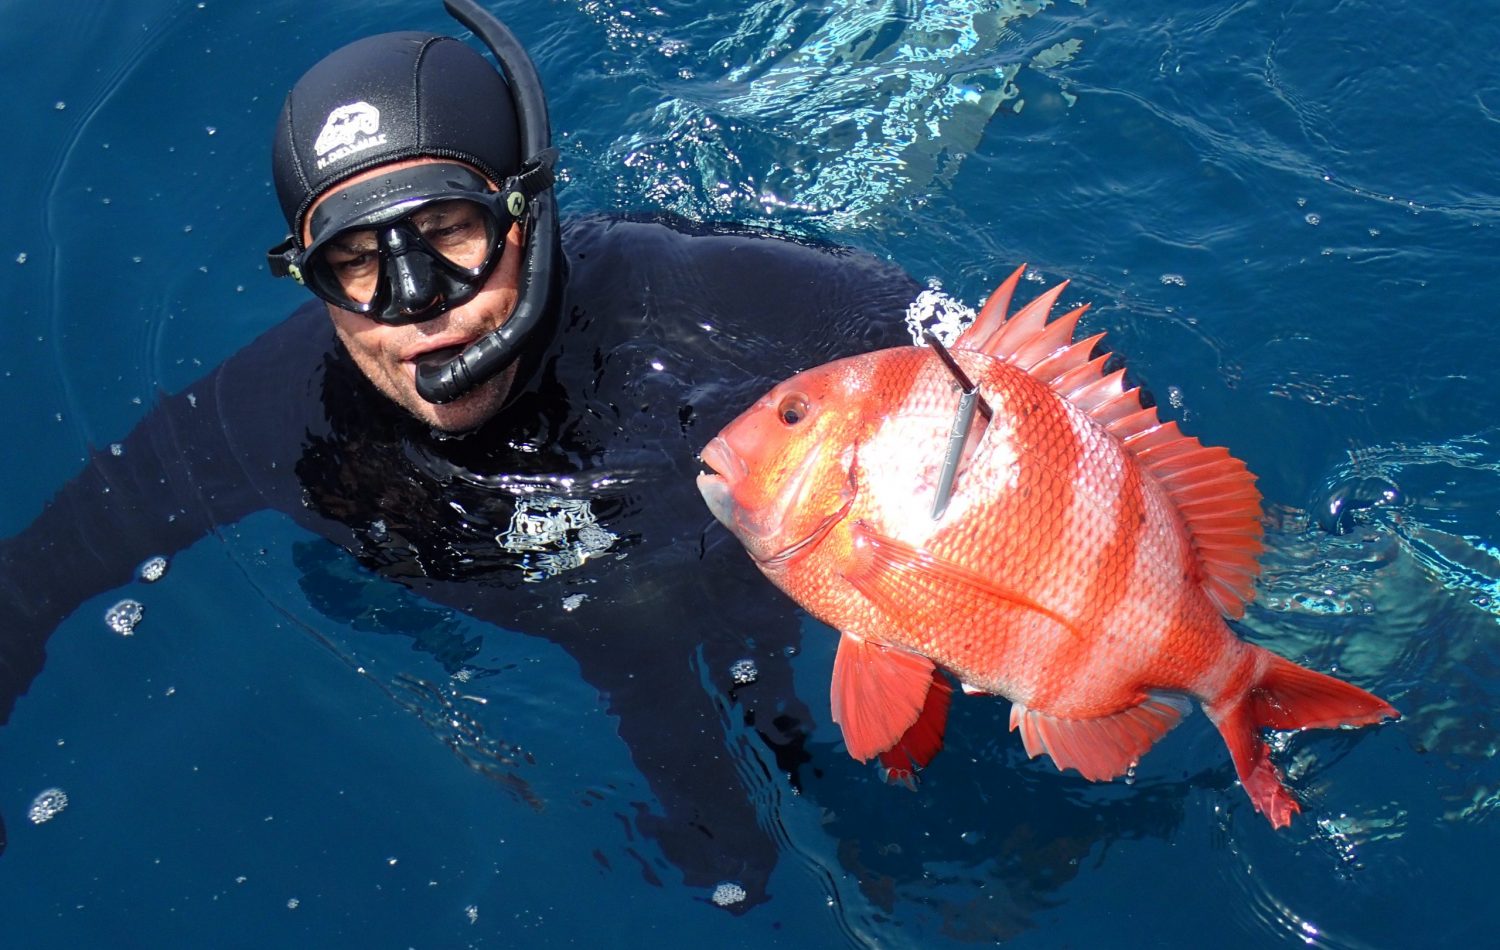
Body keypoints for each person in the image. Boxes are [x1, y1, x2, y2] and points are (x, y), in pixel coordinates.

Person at [0, 0, 921, 902]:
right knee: (726, 871)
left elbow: (992, 378)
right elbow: (29, 582)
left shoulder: (715, 300)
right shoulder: (264, 414)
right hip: (609, 653)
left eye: (447, 230)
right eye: (354, 261)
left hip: (776, 580)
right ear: (307, 276)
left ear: (525, 211)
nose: (413, 301)